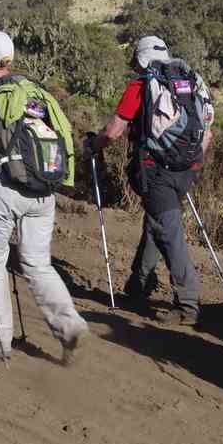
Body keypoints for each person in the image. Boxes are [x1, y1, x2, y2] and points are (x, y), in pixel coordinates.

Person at [0, 30, 88, 365]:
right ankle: (70, 327)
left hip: (3, 189)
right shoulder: (36, 92)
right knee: (38, 264)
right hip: (42, 191)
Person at [87, 36, 214, 326]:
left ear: (141, 60)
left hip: (155, 170)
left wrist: (93, 146)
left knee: (169, 232)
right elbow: (208, 130)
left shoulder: (142, 85)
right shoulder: (192, 82)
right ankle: (138, 284)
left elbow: (114, 131)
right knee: (157, 222)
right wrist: (192, 163)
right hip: (186, 168)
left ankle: (188, 304)